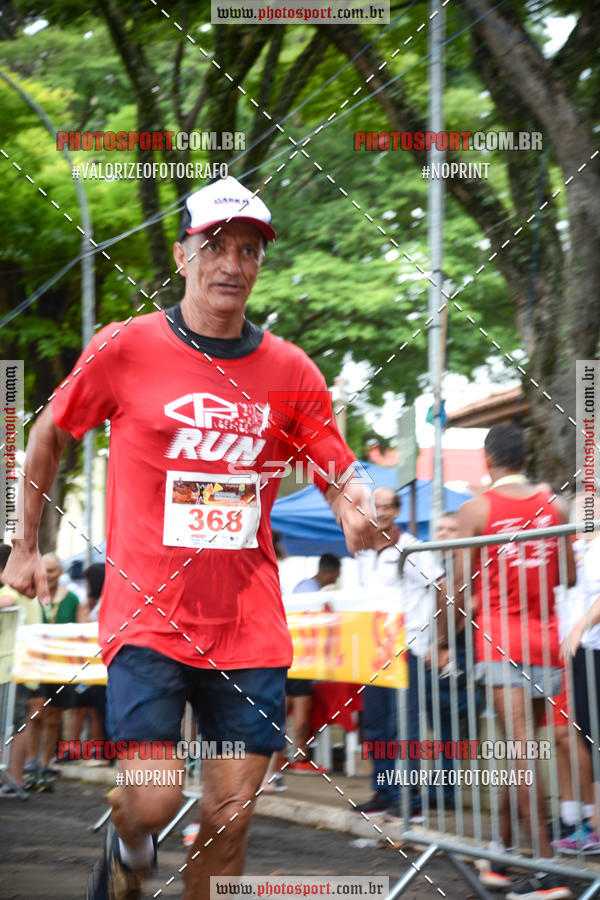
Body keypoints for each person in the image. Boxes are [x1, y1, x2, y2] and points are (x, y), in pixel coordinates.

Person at [2, 175, 374, 900]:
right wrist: (21, 544)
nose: (232, 264)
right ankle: (128, 841)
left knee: (230, 817)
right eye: (214, 246)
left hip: (249, 628)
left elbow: (338, 470)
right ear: (183, 255)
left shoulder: (292, 371)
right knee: (152, 797)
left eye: (248, 250)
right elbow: (47, 432)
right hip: (148, 619)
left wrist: (357, 509)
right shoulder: (125, 348)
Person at [453, 423, 575, 900]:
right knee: (518, 749)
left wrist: (444, 639)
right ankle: (499, 853)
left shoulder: (476, 509)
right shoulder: (556, 506)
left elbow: (461, 585)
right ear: (525, 457)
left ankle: (546, 867)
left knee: (520, 752)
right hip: (547, 639)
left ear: (488, 459)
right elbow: (566, 572)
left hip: (502, 642)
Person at [354, 487, 439, 818]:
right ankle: (384, 792)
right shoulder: (362, 552)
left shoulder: (412, 548)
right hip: (374, 652)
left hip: (408, 649)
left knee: (404, 726)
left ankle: (411, 801)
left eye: (388, 507)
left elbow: (441, 585)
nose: (382, 513)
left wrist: (437, 642)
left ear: (397, 510)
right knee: (375, 726)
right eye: (377, 507)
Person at [263, 554, 341, 789]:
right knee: (300, 708)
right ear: (330, 574)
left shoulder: (303, 586)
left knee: (282, 711)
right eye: (334, 579)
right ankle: (299, 757)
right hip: (299, 658)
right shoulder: (311, 590)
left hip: (291, 657)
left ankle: (280, 763)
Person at [0, 544, 44, 796]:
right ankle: (11, 777)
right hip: (23, 664)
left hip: (12, 666)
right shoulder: (29, 588)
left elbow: (6, 600)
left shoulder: (14, 587)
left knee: (14, 724)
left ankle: (13, 778)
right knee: (16, 722)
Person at [36, 552, 79, 786]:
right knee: (35, 714)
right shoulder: (34, 596)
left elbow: (82, 630)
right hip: (34, 665)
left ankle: (44, 763)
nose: (48, 575)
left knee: (53, 717)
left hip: (61, 667)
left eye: (52, 571)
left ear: (61, 572)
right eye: (44, 570)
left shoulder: (72, 599)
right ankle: (30, 761)